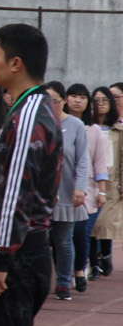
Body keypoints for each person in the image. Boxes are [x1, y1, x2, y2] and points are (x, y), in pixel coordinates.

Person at [0, 24, 62, 326]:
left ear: (15, 63)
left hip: (15, 255)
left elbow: (15, 193)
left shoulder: (28, 115)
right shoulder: (32, 109)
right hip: (20, 251)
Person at [44, 82, 89, 301]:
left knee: (63, 239)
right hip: (41, 192)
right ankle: (40, 282)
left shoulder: (76, 125)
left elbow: (82, 160)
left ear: (63, 101)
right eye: (46, 100)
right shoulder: (39, 123)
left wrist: (80, 188)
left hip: (67, 190)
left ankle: (63, 282)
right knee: (40, 240)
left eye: (53, 100)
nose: (50, 104)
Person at [63, 84, 109, 290]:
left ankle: (80, 269)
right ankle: (65, 275)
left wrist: (101, 190)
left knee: (81, 231)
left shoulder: (94, 131)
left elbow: (100, 162)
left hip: (87, 190)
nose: (77, 100)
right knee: (63, 235)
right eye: (73, 96)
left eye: (82, 97)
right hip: (63, 188)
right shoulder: (59, 126)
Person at [91, 86, 122, 275]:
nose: (100, 104)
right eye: (96, 100)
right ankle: (93, 262)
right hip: (90, 181)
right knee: (90, 225)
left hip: (111, 183)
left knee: (104, 224)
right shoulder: (86, 127)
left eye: (105, 100)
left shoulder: (117, 129)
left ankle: (106, 254)